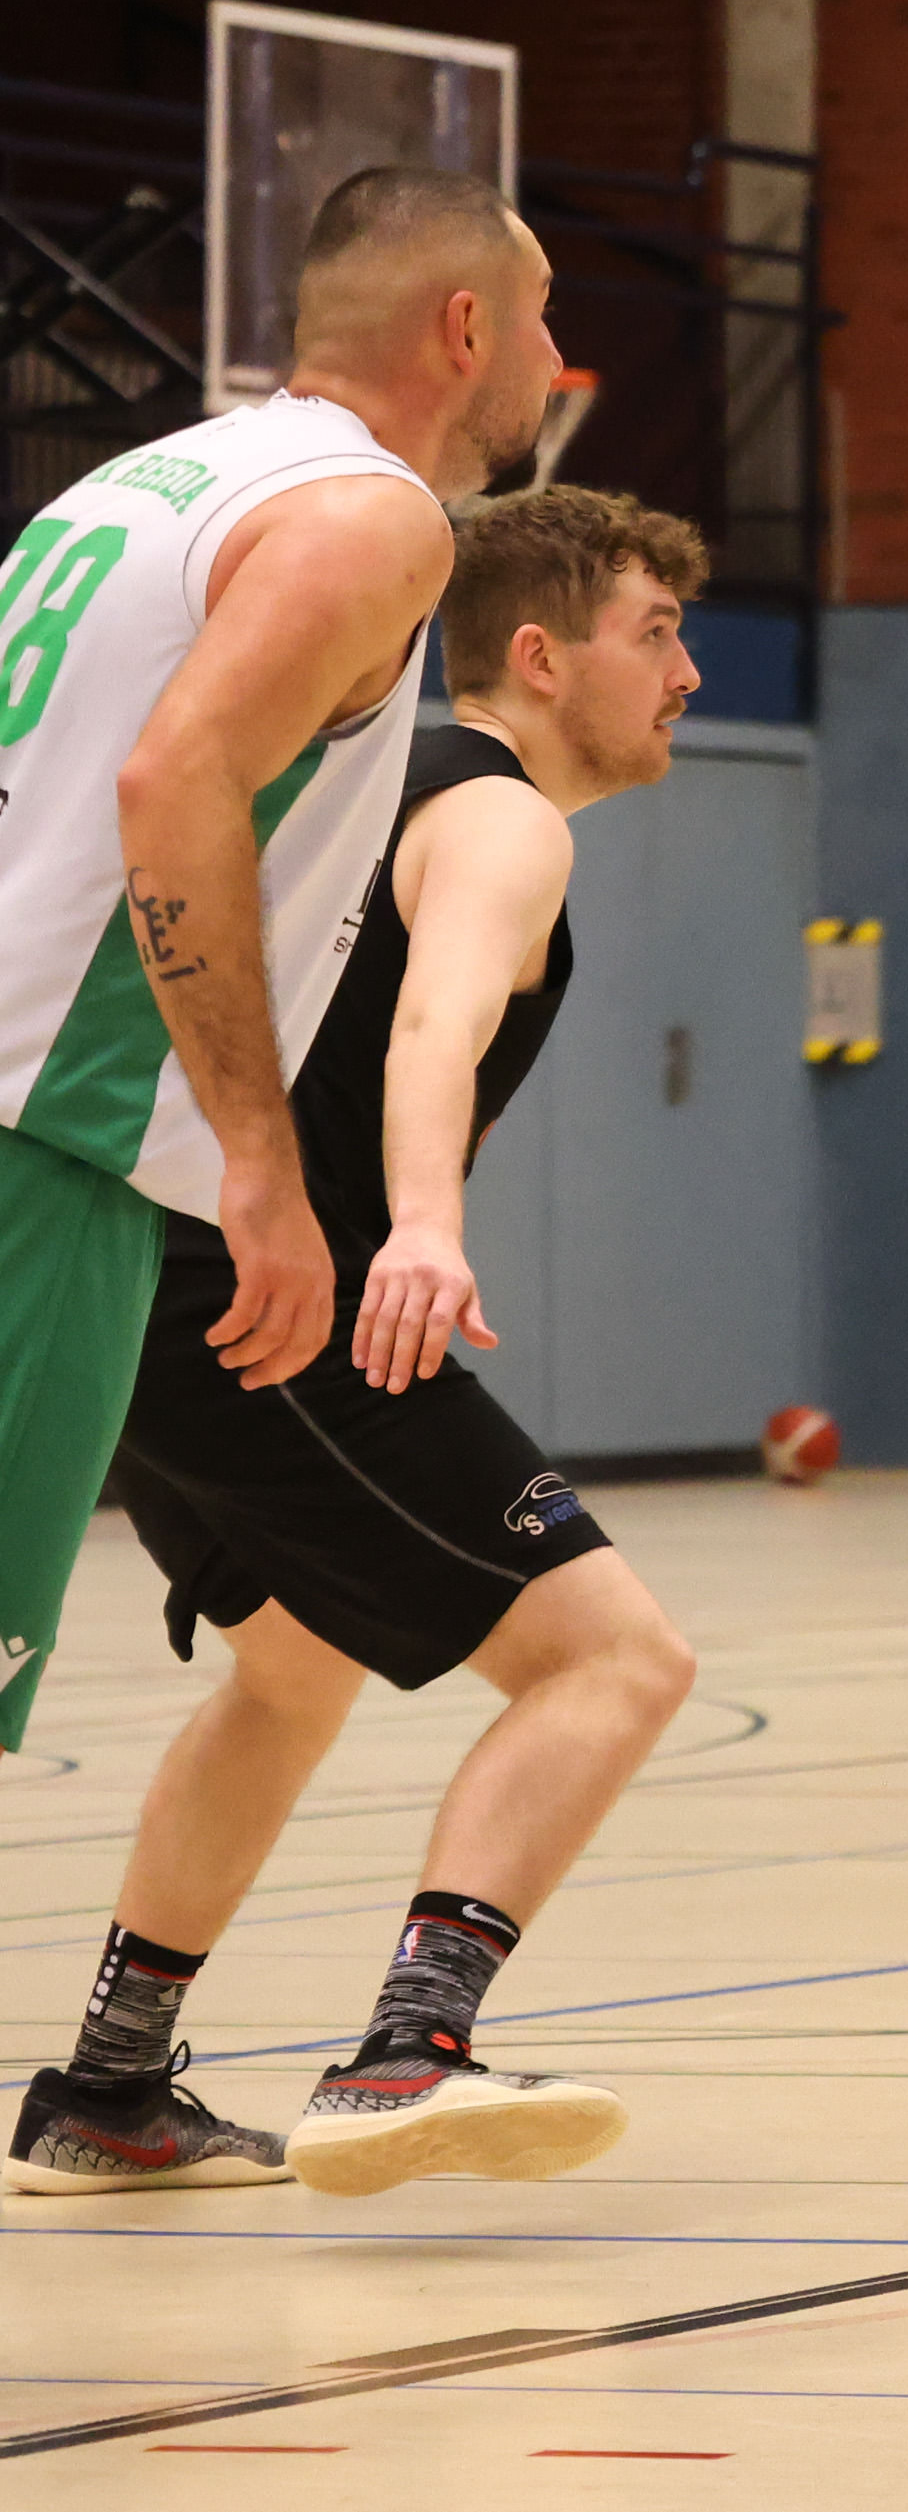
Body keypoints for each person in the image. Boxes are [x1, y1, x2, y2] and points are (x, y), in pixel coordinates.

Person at [9, 488, 709, 2200]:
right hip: (273, 1301)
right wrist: (423, 1221)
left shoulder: (348, 782)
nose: (686, 671)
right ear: (538, 656)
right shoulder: (500, 816)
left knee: (296, 1666)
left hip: (132, 1276)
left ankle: (110, 2084)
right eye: (655, 632)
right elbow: (435, 1027)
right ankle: (412, 2047)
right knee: (616, 1659)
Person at [0, 166, 524, 1768]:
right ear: (464, 328)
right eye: (541, 317)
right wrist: (258, 1157)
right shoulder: (373, 517)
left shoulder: (131, 488)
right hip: (49, 1136)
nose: (551, 355)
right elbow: (176, 781)